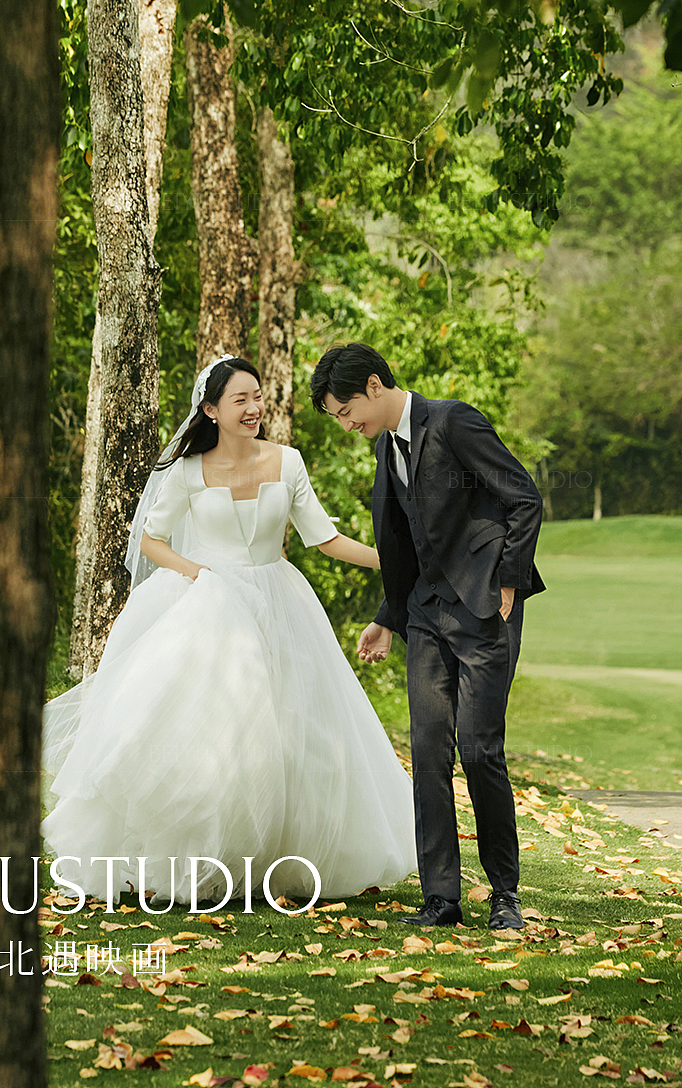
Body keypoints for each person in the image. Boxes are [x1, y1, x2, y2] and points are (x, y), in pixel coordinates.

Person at [41, 355, 418, 911]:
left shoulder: (288, 463)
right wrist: (197, 573)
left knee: (293, 729)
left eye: (257, 396)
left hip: (279, 603)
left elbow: (326, 539)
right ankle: (196, 859)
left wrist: (399, 562)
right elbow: (151, 539)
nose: (253, 408)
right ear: (212, 410)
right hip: (208, 604)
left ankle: (277, 861)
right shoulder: (186, 471)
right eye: (239, 399)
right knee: (205, 730)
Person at [311, 342, 545, 932]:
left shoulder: (452, 421)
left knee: (479, 751)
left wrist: (509, 582)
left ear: (373, 385)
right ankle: (441, 898)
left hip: (485, 611)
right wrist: (389, 617)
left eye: (345, 411)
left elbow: (524, 497)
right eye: (336, 419)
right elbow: (405, 546)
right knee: (429, 755)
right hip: (424, 617)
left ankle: (505, 896)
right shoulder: (387, 450)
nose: (346, 425)